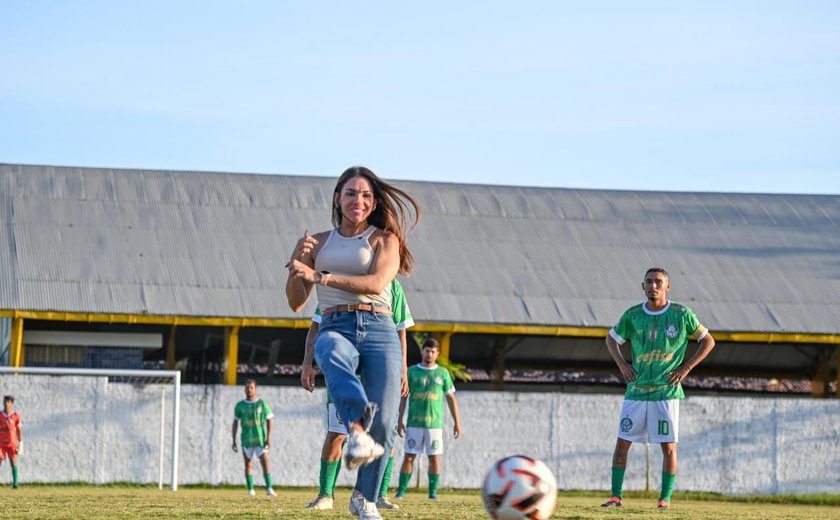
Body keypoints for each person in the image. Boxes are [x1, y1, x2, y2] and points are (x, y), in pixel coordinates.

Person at [286, 165, 420, 520]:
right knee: (327, 350)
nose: (357, 200)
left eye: (365, 195)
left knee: (388, 420)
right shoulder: (319, 242)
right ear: (337, 198)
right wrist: (298, 262)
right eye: (350, 193)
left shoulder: (384, 240)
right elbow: (296, 301)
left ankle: (365, 499)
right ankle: (358, 430)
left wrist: (321, 276)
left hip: (379, 326)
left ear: (374, 202)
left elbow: (377, 284)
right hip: (335, 323)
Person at [601, 268, 716, 510]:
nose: (653, 285)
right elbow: (611, 339)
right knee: (622, 443)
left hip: (666, 392)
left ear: (667, 287)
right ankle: (615, 497)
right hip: (637, 391)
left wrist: (686, 368)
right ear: (642, 286)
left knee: (669, 446)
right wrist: (623, 364)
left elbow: (708, 341)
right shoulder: (633, 315)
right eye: (649, 282)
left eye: (659, 282)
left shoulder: (681, 314)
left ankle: (665, 499)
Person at [302, 278, 414, 511]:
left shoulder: (391, 284)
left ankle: (377, 495)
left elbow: (400, 329)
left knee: (384, 431)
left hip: (379, 370)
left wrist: (402, 369)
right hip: (347, 375)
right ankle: (325, 495)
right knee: (337, 434)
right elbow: (316, 326)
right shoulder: (338, 279)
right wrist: (307, 363)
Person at [394, 338, 462, 500]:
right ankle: (401, 492)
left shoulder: (443, 373)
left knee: (434, 458)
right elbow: (403, 397)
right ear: (422, 351)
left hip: (434, 425)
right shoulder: (411, 372)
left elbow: (451, 398)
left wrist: (457, 423)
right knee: (409, 456)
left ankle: (432, 493)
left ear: (437, 354)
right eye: (427, 351)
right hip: (414, 423)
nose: (429, 354)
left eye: (433, 351)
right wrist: (399, 420)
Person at [232, 379, 276, 497]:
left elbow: (269, 419)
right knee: (248, 464)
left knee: (265, 462)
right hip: (246, 440)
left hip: (260, 440)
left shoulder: (262, 404)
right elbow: (235, 422)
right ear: (244, 389)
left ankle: (269, 488)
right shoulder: (240, 406)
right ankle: (251, 489)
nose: (249, 389)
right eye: (247, 387)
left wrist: (269, 437)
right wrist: (233, 440)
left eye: (251, 387)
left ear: (255, 389)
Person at [0, 395, 22, 489]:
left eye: (8, 402)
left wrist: (20, 443)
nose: (6, 404)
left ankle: (15, 483)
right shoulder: (0, 415)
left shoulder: (16, 415)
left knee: (13, 462)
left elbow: (19, 429)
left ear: (12, 404)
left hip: (12, 443)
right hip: (1, 443)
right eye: (4, 401)